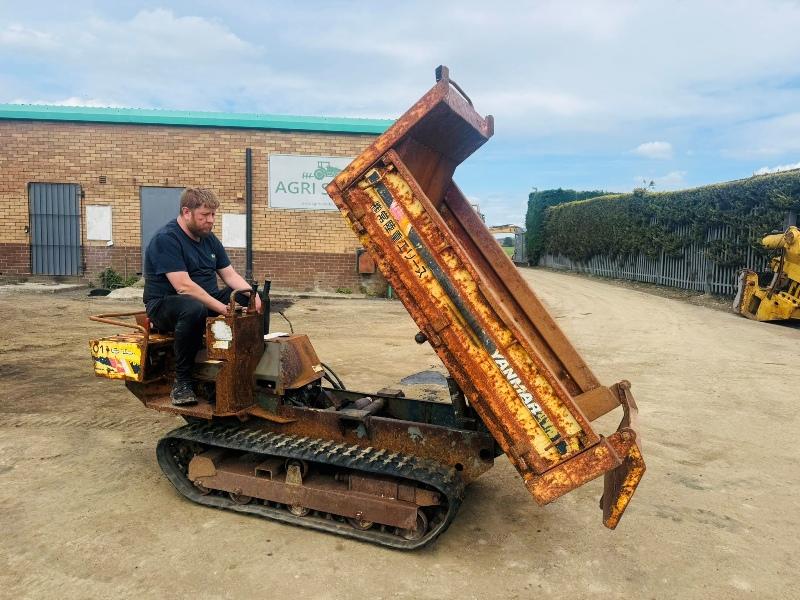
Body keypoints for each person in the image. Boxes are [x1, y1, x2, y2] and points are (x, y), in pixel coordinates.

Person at [143, 187, 262, 406]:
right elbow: (183, 287)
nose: (210, 221)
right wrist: (222, 308)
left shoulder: (208, 239)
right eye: (204, 216)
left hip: (204, 299)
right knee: (193, 308)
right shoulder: (166, 239)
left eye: (213, 215)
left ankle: (251, 361)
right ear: (186, 212)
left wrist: (253, 296)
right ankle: (183, 382)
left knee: (247, 296)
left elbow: (229, 274)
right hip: (166, 305)